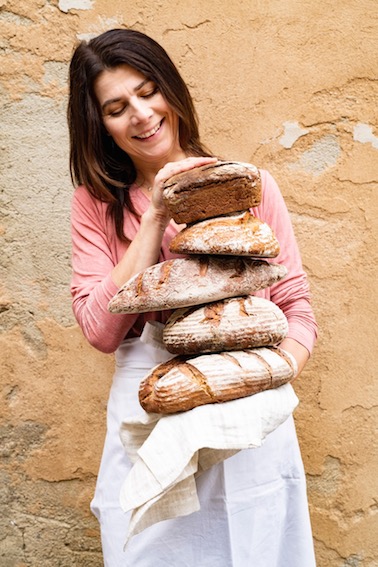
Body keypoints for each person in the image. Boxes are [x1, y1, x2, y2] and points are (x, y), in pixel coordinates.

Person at [68, 28, 318, 567]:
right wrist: (157, 213)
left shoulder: (246, 188)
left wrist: (264, 379)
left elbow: (296, 308)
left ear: (171, 90)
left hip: (249, 414)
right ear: (101, 127)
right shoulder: (95, 205)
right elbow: (99, 330)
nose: (140, 114)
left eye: (148, 89)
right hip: (149, 411)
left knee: (250, 544)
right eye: (116, 107)